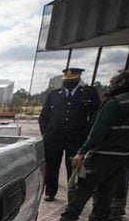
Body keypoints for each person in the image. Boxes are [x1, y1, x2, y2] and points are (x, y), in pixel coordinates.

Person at [41, 69, 129, 221]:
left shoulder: (114, 103)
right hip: (124, 156)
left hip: (103, 154)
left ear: (122, 83)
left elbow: (98, 130)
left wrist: (84, 150)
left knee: (82, 188)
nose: (111, 83)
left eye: (114, 80)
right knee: (106, 191)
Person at [38, 68, 100, 201]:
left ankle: (73, 195)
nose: (68, 81)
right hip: (54, 138)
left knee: (73, 166)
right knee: (52, 166)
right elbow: (44, 117)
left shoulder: (88, 93)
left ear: (78, 78)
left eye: (71, 79)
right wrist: (46, 133)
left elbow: (96, 116)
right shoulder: (54, 94)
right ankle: (50, 191)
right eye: (66, 79)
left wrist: (87, 134)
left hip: (76, 138)